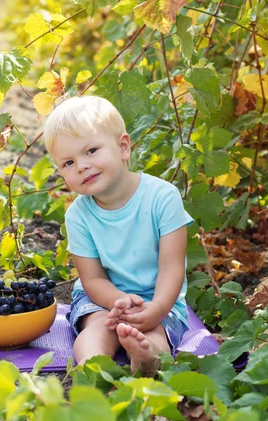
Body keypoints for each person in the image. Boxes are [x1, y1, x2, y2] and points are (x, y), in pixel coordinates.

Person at [43, 96, 193, 375]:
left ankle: (145, 357)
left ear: (123, 147)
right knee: (97, 327)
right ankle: (94, 366)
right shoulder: (78, 214)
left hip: (158, 296)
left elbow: (172, 266)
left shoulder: (162, 198)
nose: (82, 166)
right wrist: (119, 303)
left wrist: (157, 308)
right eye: (68, 163)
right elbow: (93, 279)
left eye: (91, 151)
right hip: (103, 300)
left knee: (155, 335)